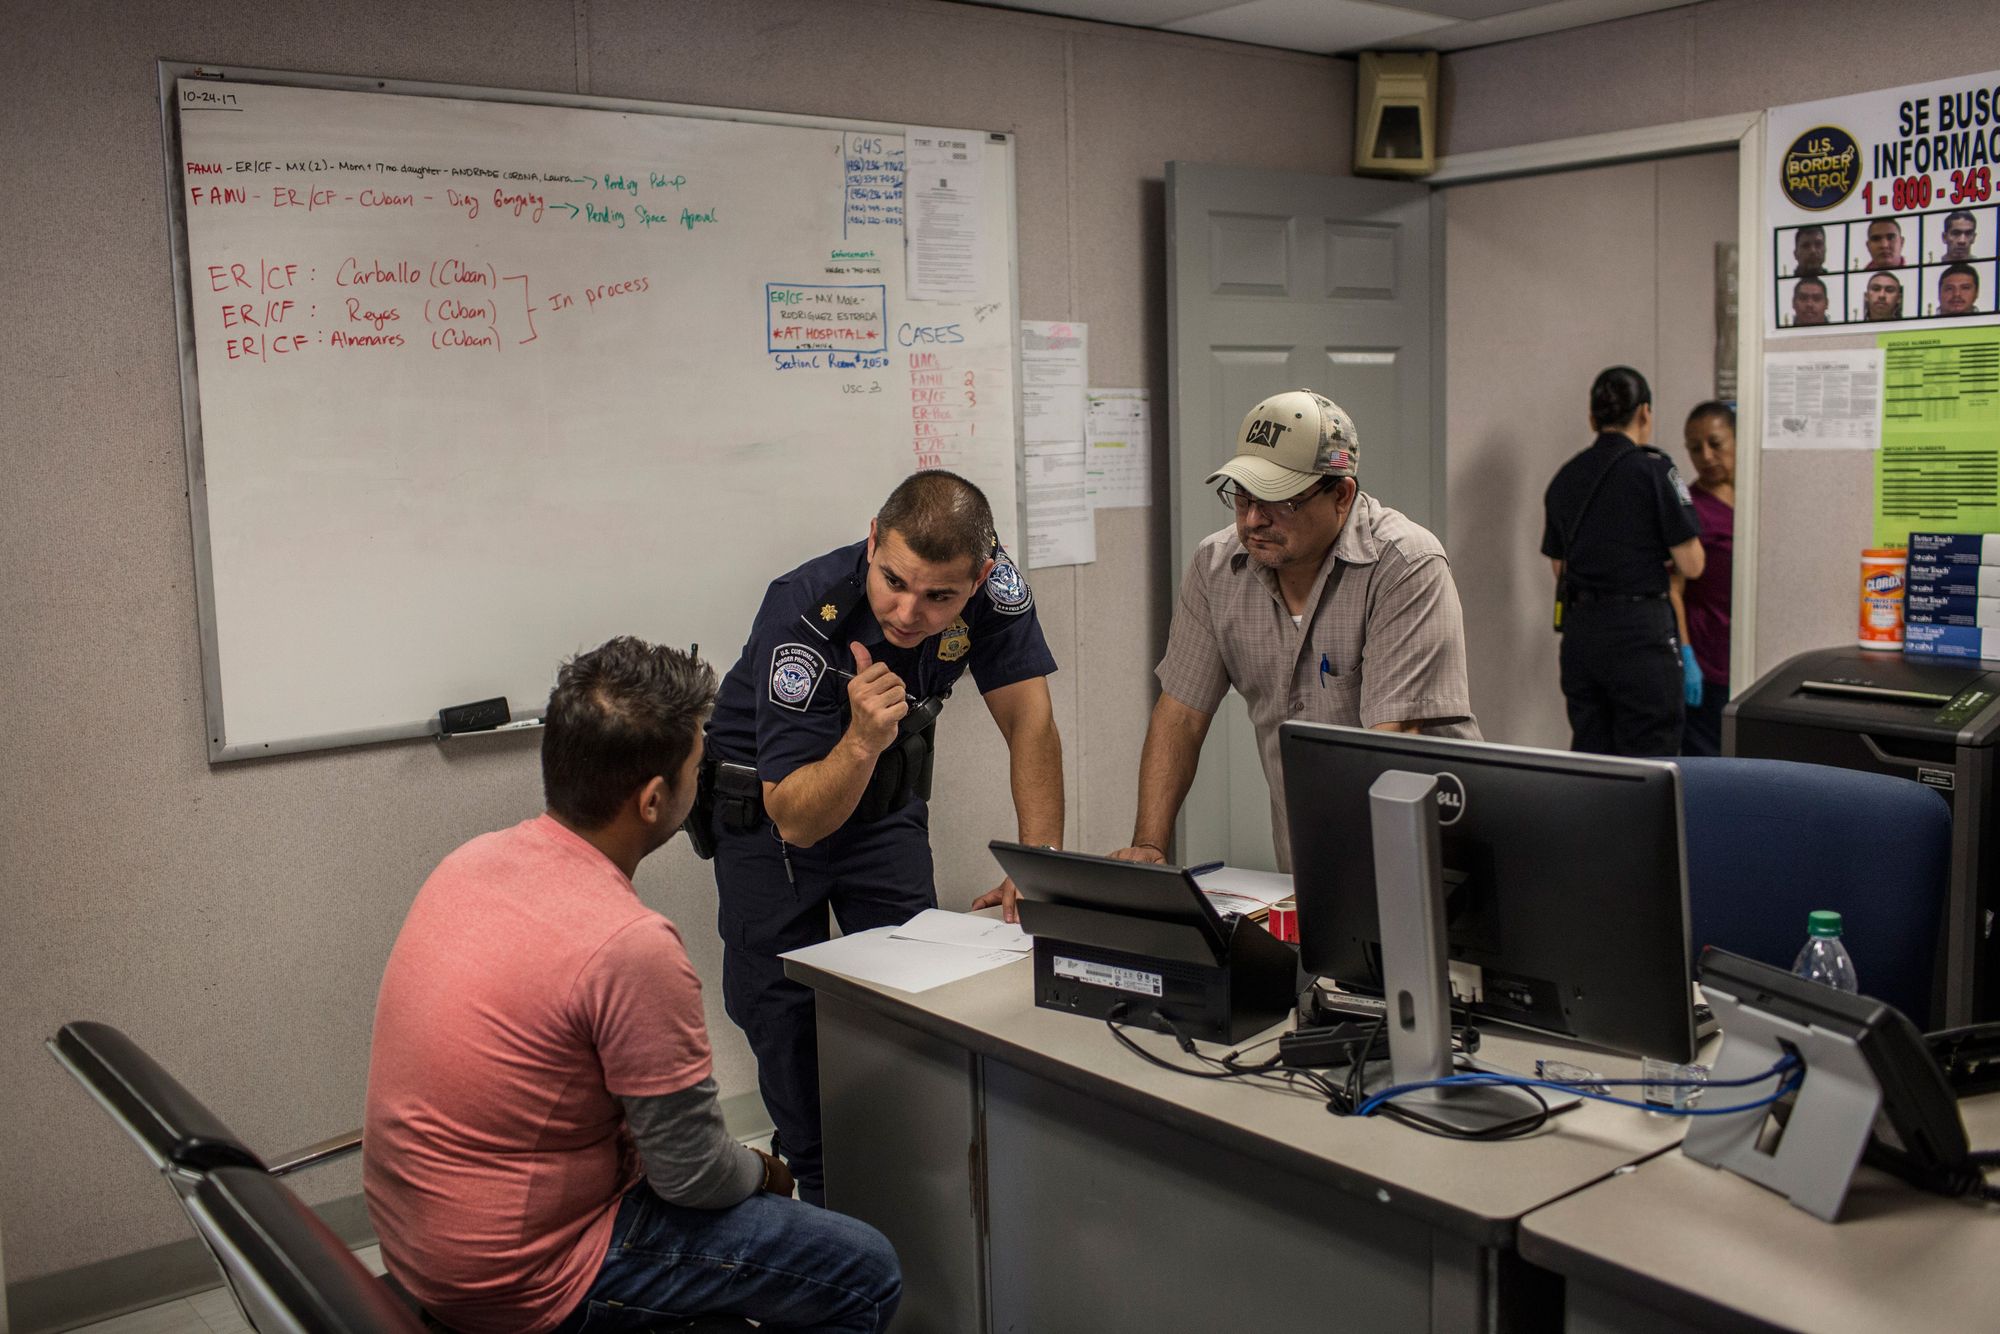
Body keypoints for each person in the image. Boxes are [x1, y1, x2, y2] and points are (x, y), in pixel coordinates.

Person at [364, 637, 902, 1334]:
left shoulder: (469, 863)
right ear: (654, 801)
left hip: (422, 1246)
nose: (700, 777)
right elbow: (695, 1177)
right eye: (696, 766)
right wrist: (764, 1173)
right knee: (863, 1267)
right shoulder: (629, 945)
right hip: (525, 1278)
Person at [703, 470, 1062, 1206]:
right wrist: (863, 739)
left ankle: (915, 1187)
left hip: (882, 803)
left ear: (980, 578)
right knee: (787, 1025)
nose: (907, 612)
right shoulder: (804, 609)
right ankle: (825, 1201)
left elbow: (1029, 719)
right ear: (872, 539)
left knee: (911, 996)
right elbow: (797, 818)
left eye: (939, 597)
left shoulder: (996, 590)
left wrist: (1041, 863)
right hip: (771, 819)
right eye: (893, 580)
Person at [1110, 389, 1477, 872]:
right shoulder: (1216, 567)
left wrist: (1336, 887)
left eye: (1279, 500)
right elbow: (1180, 715)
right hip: (1309, 856)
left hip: (1426, 853)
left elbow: (1390, 740)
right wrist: (1149, 846)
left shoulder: (1406, 564)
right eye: (1242, 496)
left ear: (1341, 495)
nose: (1253, 519)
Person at [1541, 367, 1704, 756]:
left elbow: (1558, 568)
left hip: (1582, 636)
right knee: (1651, 759)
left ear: (1593, 418)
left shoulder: (1566, 477)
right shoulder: (1656, 470)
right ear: (1644, 413)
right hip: (1640, 635)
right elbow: (1693, 563)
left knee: (1593, 755)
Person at [1674, 403, 1735, 756]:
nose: (1706, 456)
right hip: (1707, 659)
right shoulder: (1690, 508)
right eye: (1695, 448)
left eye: (1715, 443)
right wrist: (1686, 656)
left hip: (1749, 654)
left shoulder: (1760, 498)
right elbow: (1674, 589)